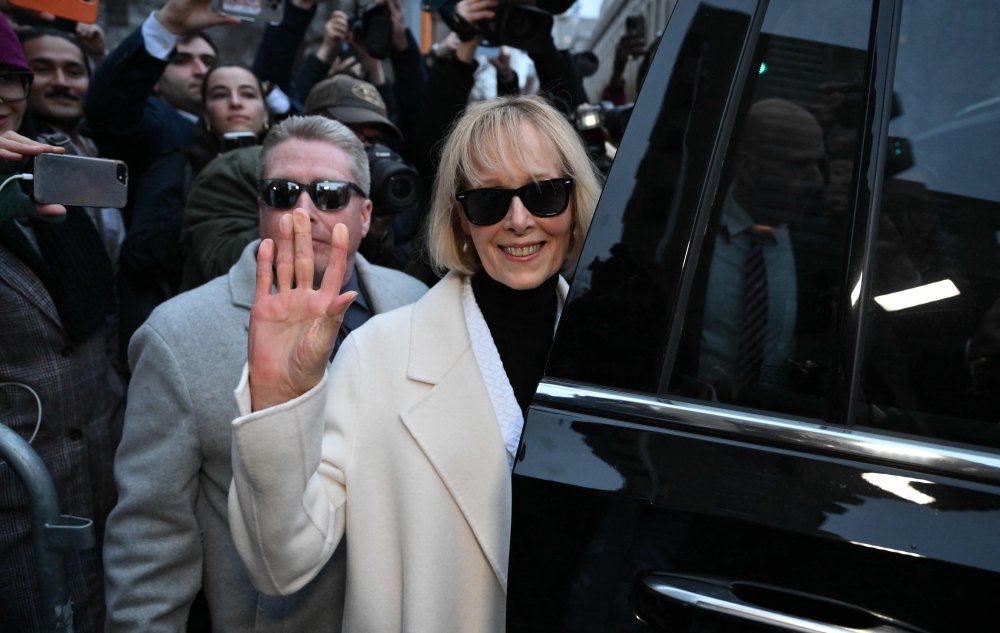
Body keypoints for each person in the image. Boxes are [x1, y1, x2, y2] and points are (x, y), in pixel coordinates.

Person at [227, 95, 601, 631]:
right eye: (489, 201)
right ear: (460, 217)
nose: (518, 221)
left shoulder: (615, 355)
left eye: (543, 194)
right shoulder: (377, 355)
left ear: (575, 201)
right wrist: (276, 396)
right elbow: (280, 564)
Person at [102, 115, 428, 632]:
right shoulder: (177, 335)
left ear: (365, 214)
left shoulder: (415, 305)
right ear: (260, 210)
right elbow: (150, 536)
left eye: (328, 194)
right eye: (282, 193)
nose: (303, 211)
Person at [0, 17, 125, 632]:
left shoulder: (53, 174)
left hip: (95, 490)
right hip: (13, 509)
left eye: (10, 81)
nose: (2, 98)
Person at [178, 73, 411, 291]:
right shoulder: (241, 167)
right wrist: (294, 214)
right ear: (311, 128)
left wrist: (370, 225)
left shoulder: (374, 185)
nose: (364, 148)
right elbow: (221, 262)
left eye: (375, 140)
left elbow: (370, 275)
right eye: (351, 134)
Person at [118, 61, 270, 352]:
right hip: (204, 327)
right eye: (221, 95)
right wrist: (207, 198)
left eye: (248, 94)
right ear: (205, 114)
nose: (236, 102)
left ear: (265, 112)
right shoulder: (177, 167)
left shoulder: (298, 167)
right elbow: (140, 255)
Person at [697, 98, 825, 393]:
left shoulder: (820, 245)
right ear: (747, 166)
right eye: (799, 165)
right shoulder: (693, 235)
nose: (817, 180)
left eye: (819, 163)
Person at [84, 0, 238, 222]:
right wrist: (167, 27)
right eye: (181, 61)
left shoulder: (234, 123)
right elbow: (108, 105)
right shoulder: (153, 123)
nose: (200, 71)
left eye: (208, 61)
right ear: (154, 78)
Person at [18, 26, 126, 264]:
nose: (61, 82)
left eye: (74, 72)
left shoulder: (100, 147)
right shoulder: (20, 161)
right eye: (42, 69)